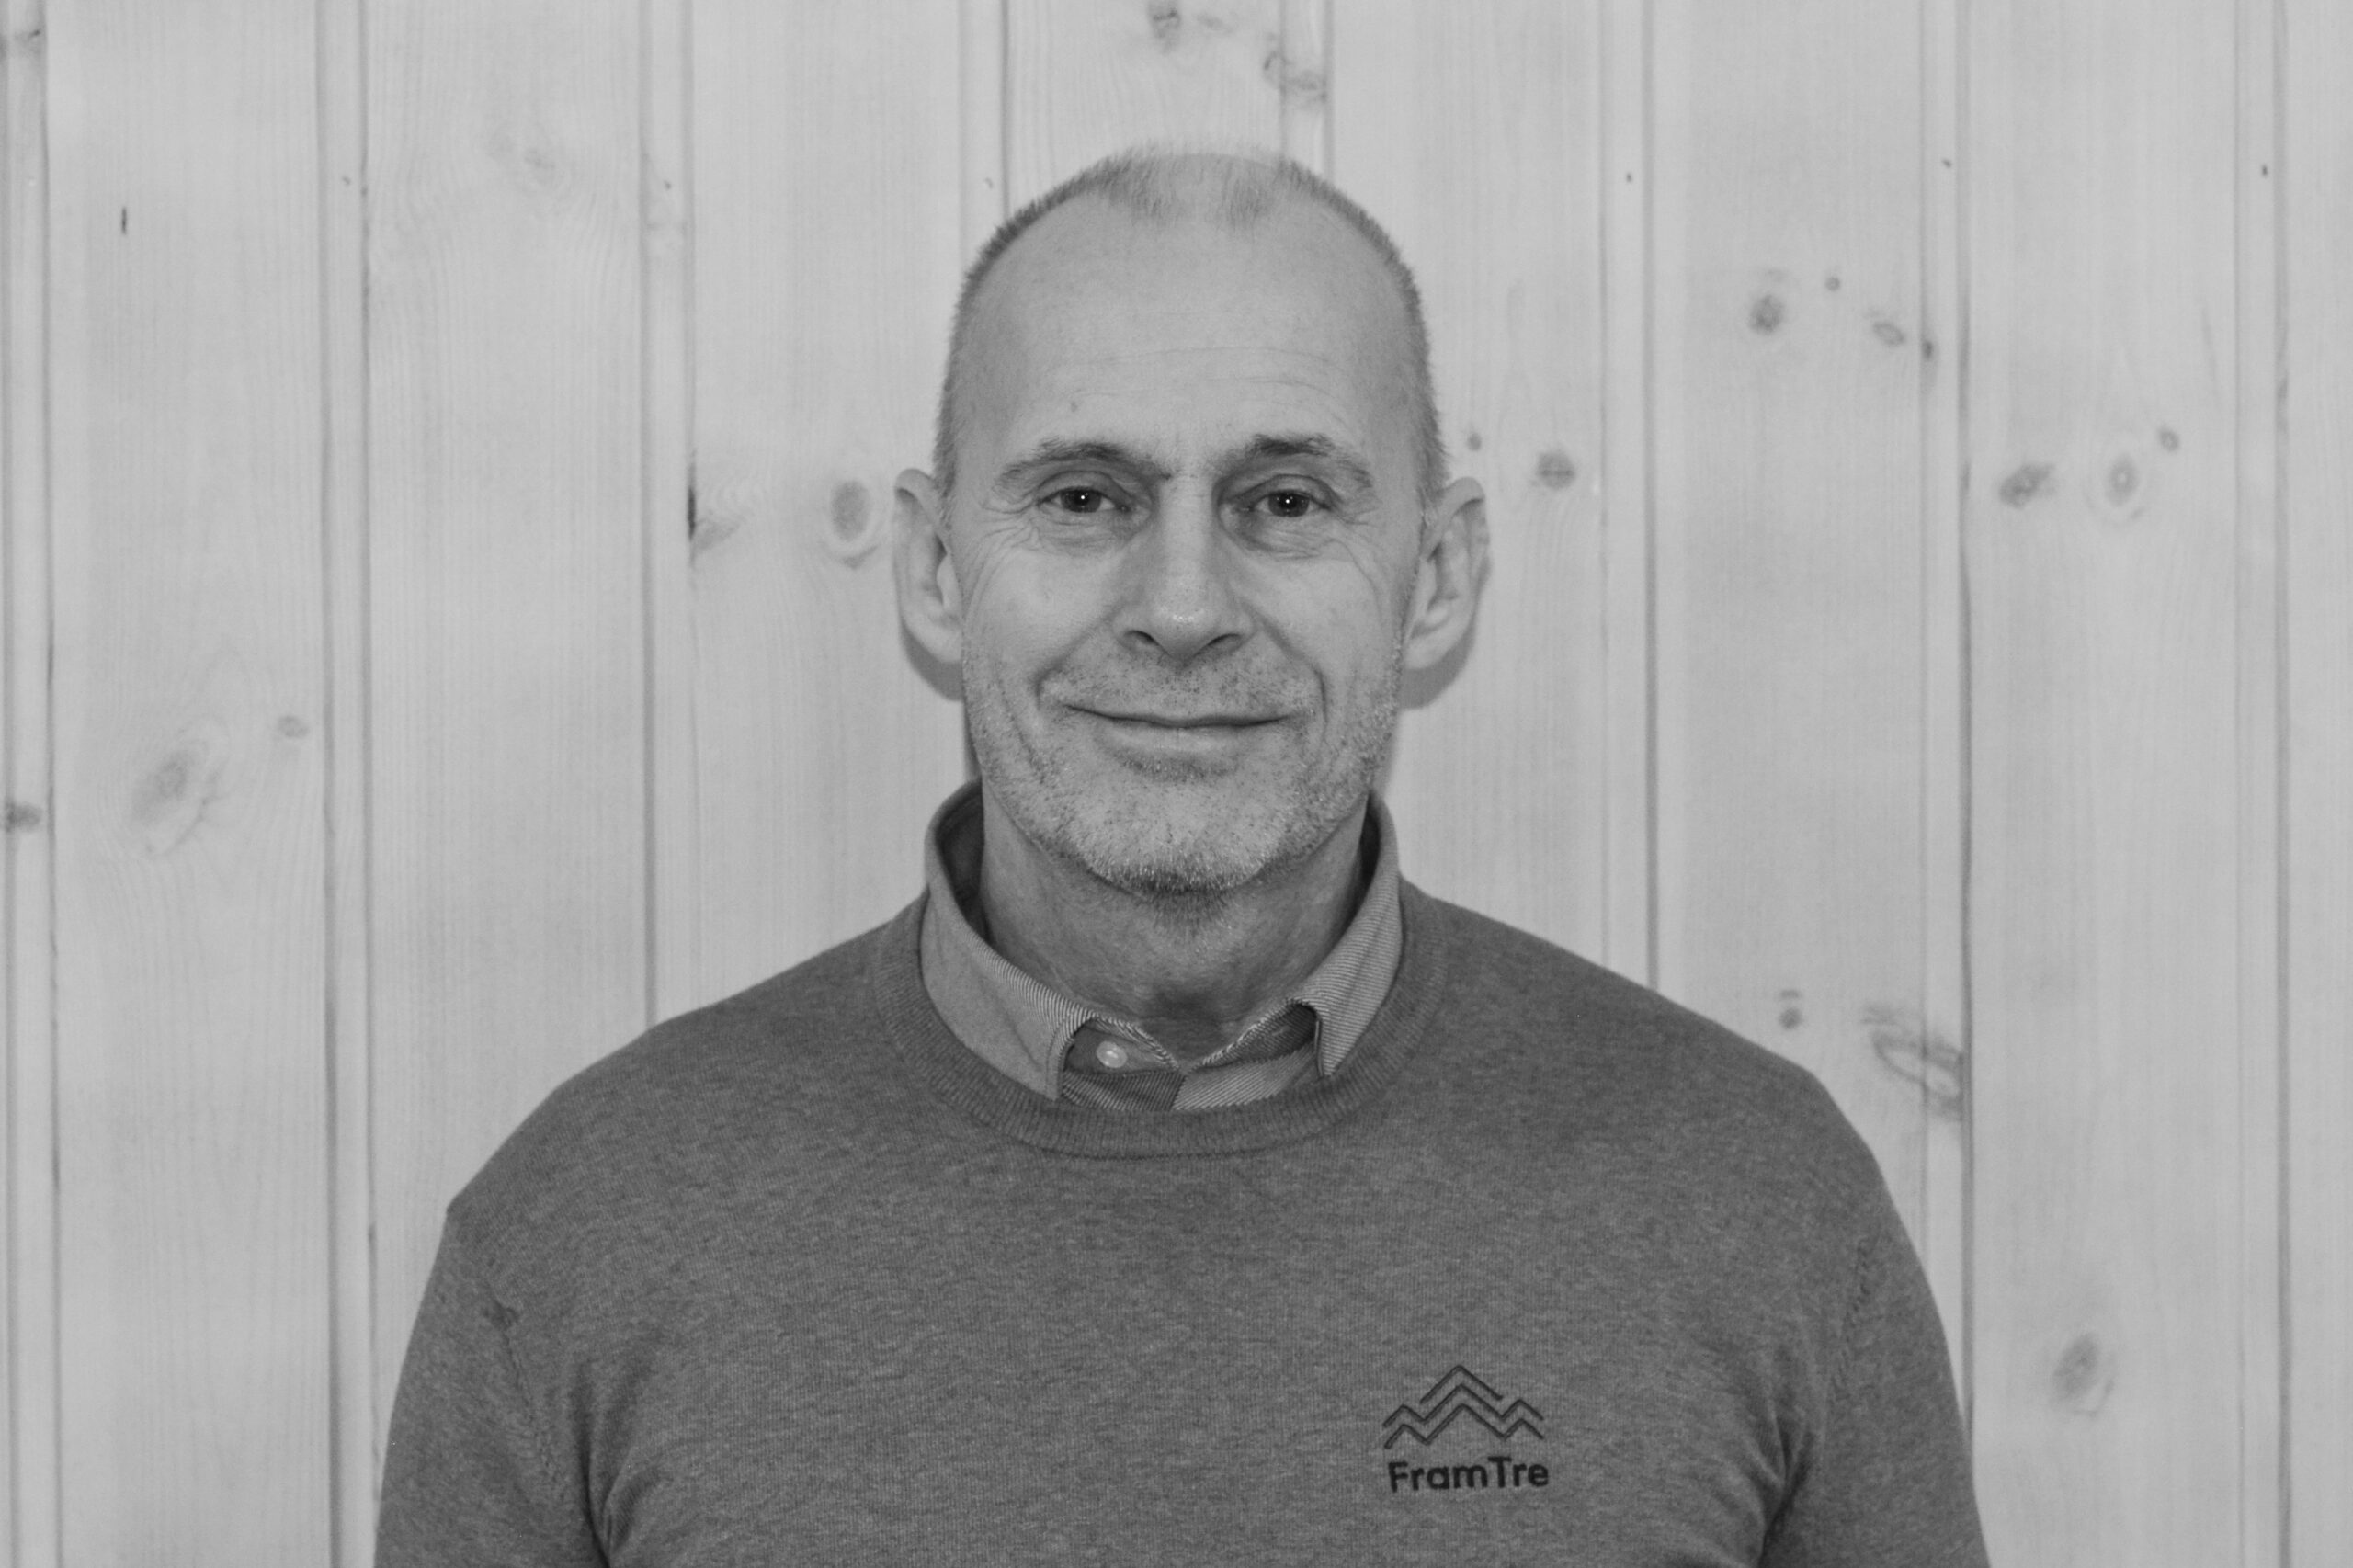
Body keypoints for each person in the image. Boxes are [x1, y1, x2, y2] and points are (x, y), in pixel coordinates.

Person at [377, 146, 1989, 1565]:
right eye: (1084, 496)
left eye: (1285, 500)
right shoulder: (585, 1235)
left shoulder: (1753, 1201)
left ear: (1437, 577)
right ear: (935, 568)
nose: (1184, 606)